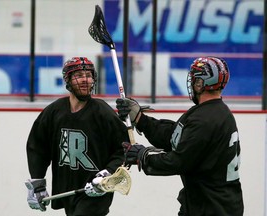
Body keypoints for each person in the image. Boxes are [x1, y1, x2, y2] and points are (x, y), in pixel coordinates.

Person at [116, 56, 244, 216]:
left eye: (194, 79)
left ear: (200, 83)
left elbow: (179, 161)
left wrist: (143, 157)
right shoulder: (208, 112)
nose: (191, 82)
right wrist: (140, 119)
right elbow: (173, 137)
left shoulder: (205, 120)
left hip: (212, 208)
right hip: (203, 204)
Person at [25, 57, 129, 216]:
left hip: (95, 192)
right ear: (67, 79)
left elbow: (124, 148)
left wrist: (107, 173)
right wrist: (37, 182)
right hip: (68, 189)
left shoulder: (102, 112)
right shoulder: (54, 111)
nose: (85, 80)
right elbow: (38, 147)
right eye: (79, 75)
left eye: (88, 75)